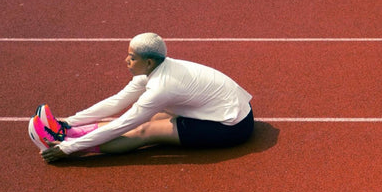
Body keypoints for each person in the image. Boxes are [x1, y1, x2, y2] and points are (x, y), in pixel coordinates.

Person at [28, 33, 254, 163]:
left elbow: (124, 124)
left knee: (146, 130)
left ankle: (68, 144)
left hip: (231, 126)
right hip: (227, 109)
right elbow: (117, 102)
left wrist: (69, 149)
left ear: (148, 62)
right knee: (149, 116)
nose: (126, 60)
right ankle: (65, 132)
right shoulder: (156, 68)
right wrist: (69, 122)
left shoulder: (162, 87)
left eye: (132, 57)